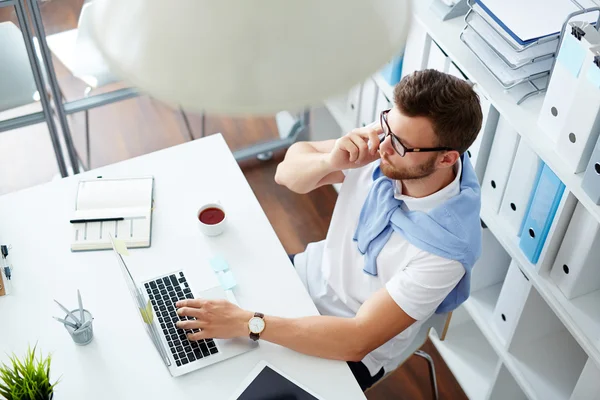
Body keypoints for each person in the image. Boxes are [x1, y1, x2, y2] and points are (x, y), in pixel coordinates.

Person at [175, 69, 484, 391]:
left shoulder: (445, 251)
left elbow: (356, 339)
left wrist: (247, 322)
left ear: (447, 158)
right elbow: (287, 173)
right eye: (387, 125)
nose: (384, 147)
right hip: (306, 277)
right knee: (191, 339)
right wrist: (330, 160)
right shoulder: (386, 145)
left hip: (344, 342)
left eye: (401, 145)